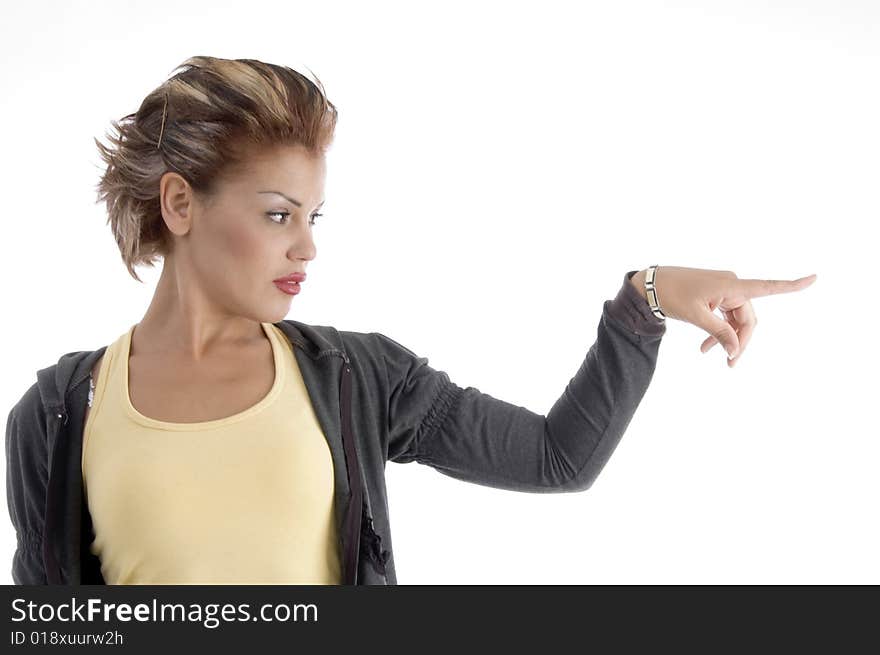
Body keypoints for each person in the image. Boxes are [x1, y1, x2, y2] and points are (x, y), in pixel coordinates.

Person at [4, 56, 817, 585]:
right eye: (281, 214)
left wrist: (644, 300)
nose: (309, 246)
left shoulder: (357, 378)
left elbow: (555, 457)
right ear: (180, 202)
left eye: (317, 214)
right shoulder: (58, 414)